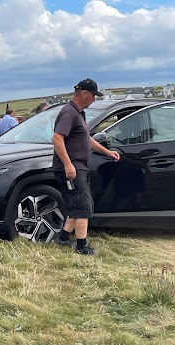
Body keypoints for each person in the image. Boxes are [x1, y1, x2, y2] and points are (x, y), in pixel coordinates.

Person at [52, 78, 120, 255]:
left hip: (79, 165)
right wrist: (68, 165)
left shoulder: (78, 113)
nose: (94, 100)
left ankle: (63, 239)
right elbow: (57, 139)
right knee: (83, 206)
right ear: (84, 94)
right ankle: (82, 246)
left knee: (76, 206)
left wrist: (107, 152)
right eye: (93, 96)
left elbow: (86, 140)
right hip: (72, 167)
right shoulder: (69, 113)